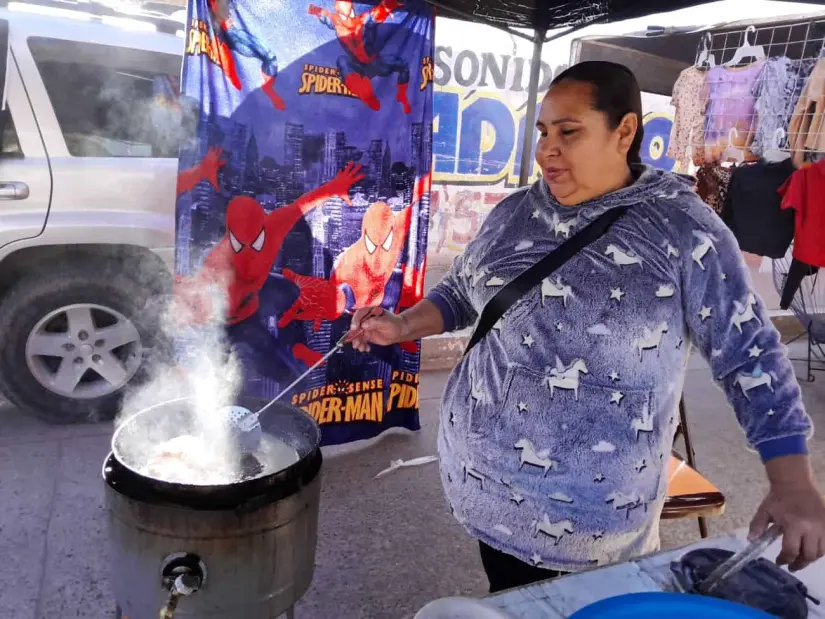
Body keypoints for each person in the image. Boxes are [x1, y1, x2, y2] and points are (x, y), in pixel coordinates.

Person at [349, 61, 825, 593]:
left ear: (624, 131)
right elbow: (462, 292)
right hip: (483, 482)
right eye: (544, 132)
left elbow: (751, 355)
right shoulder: (514, 214)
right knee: (510, 595)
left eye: (569, 132)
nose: (546, 149)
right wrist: (402, 325)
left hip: (591, 515)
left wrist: (792, 482)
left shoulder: (684, 230)